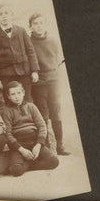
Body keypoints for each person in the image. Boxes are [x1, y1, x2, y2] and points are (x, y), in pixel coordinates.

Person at [27, 13, 69, 155]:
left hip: (54, 81)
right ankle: (45, 148)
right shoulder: (28, 42)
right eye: (35, 24)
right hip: (38, 83)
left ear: (45, 24)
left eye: (41, 23)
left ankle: (60, 146)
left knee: (56, 113)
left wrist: (55, 74)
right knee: (43, 114)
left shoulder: (52, 40)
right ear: (30, 27)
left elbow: (58, 59)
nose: (38, 26)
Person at [0, 81, 59, 177]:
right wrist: (21, 150)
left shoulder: (31, 106)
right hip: (19, 145)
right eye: (13, 94)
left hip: (34, 142)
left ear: (23, 93)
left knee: (54, 161)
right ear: (8, 96)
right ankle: (22, 165)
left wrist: (38, 145)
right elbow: (8, 134)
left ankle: (27, 165)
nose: (17, 96)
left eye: (19, 93)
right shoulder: (7, 111)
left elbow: (42, 126)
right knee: (16, 171)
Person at [0, 3, 40, 104]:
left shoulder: (21, 31)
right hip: (6, 75)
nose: (4, 16)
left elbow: (31, 51)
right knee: (10, 101)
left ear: (12, 15)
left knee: (27, 99)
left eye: (6, 13)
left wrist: (34, 70)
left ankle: (30, 119)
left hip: (24, 72)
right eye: (0, 14)